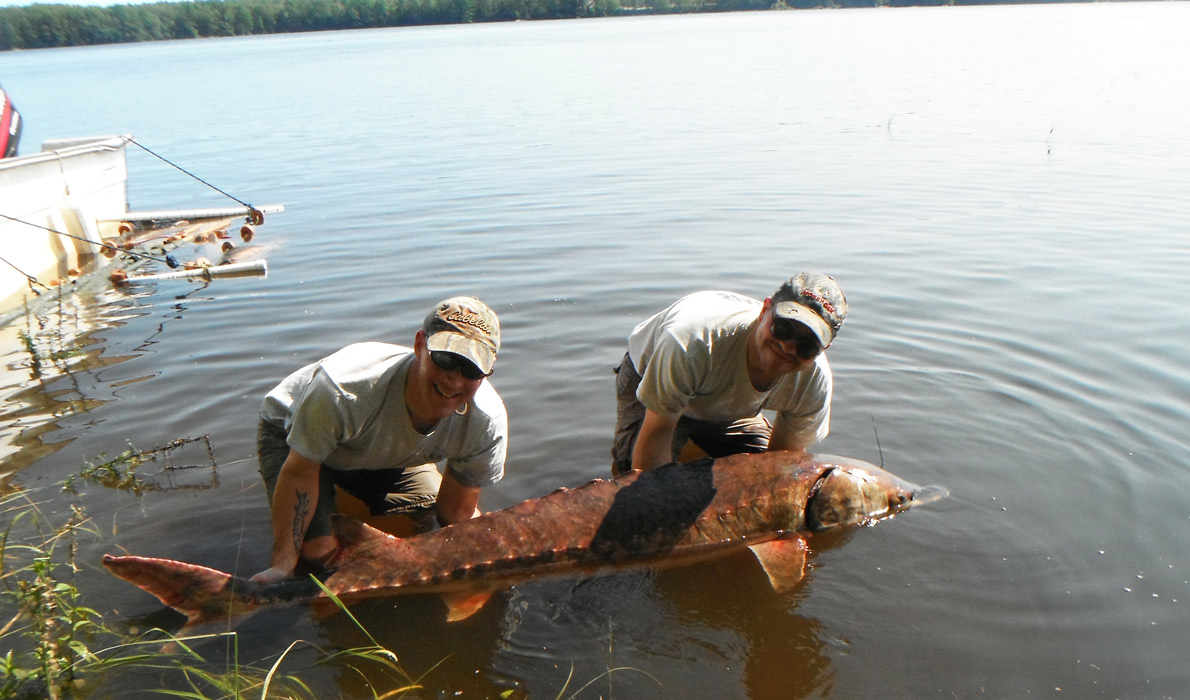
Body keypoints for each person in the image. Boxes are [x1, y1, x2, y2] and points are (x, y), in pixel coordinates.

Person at [251, 296, 507, 584]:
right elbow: (300, 472)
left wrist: (484, 564)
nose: (454, 381)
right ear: (420, 345)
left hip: (387, 453)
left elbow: (455, 513)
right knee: (321, 558)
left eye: (472, 369)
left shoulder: (486, 422)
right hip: (296, 441)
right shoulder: (345, 391)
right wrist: (283, 564)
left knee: (429, 525)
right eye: (446, 359)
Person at [611, 272, 847, 475]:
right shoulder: (692, 340)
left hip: (727, 405)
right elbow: (657, 433)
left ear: (823, 349)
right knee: (630, 477)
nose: (788, 347)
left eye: (807, 345)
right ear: (765, 310)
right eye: (783, 328)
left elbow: (782, 463)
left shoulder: (815, 382)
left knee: (763, 471)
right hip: (650, 374)